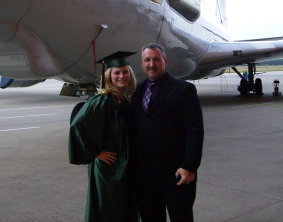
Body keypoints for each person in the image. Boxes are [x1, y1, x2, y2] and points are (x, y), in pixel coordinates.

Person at [132, 43, 204, 222]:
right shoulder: (137, 90)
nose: (152, 64)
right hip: (146, 176)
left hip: (176, 173)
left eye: (156, 59)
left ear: (165, 61)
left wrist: (189, 166)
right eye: (147, 60)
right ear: (141, 63)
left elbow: (194, 131)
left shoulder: (183, 89)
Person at [69, 51, 139, 222]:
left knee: (125, 208)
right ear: (109, 76)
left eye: (125, 71)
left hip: (126, 167)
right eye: (117, 72)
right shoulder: (102, 101)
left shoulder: (126, 101)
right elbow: (77, 127)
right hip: (111, 170)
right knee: (110, 210)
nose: (121, 76)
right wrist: (96, 153)